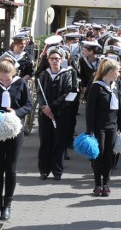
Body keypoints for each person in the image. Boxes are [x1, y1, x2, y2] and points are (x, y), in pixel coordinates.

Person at [0, 59, 32, 221]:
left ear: (13, 75)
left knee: (10, 168)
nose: (4, 81)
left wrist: (16, 113)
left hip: (15, 130)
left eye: (8, 79)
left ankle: (7, 206)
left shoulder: (20, 84)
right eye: (1, 78)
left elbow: (28, 105)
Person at [85, 58, 121, 197]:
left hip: (113, 127)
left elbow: (119, 108)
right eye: (117, 71)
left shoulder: (116, 85)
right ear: (109, 71)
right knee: (99, 155)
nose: (118, 74)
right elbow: (89, 111)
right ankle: (97, 184)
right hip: (98, 127)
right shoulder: (96, 86)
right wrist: (89, 130)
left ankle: (106, 184)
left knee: (110, 155)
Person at [37, 47, 75, 180]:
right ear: (48, 60)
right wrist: (44, 108)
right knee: (45, 142)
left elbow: (67, 93)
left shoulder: (66, 74)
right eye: (52, 59)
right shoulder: (43, 75)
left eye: (57, 59)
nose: (54, 61)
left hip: (60, 114)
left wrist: (52, 107)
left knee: (59, 142)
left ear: (62, 60)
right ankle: (44, 170)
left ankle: (57, 170)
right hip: (45, 114)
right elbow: (39, 94)